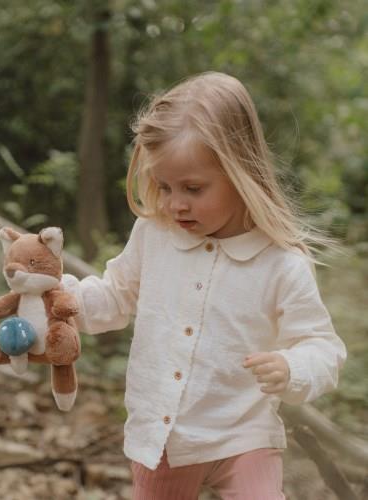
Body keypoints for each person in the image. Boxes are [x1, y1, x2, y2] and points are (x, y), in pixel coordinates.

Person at [62, 71, 347, 500]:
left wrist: (293, 367)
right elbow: (115, 296)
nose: (175, 203)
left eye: (193, 188)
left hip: (244, 435)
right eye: (164, 186)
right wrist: (65, 300)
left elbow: (323, 346)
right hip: (165, 436)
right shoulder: (154, 235)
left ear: (240, 172)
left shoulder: (281, 263)